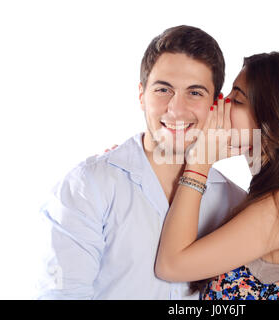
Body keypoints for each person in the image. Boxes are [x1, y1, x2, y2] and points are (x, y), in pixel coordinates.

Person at [37, 25, 247, 299]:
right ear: (141, 95)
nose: (176, 109)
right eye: (163, 90)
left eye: (194, 93)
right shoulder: (89, 186)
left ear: (216, 104)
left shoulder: (234, 203)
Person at [154, 52, 279, 300]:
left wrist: (200, 164)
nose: (220, 105)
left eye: (237, 99)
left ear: (275, 121)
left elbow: (171, 265)